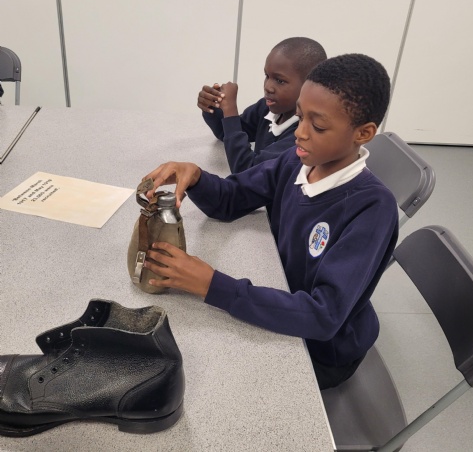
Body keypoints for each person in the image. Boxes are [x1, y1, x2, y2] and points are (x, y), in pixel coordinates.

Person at [143, 54, 399, 389]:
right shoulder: (295, 161)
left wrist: (211, 285)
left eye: (318, 126)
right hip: (280, 298)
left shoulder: (373, 209)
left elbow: (323, 316)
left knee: (206, 373)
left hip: (322, 351)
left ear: (363, 133)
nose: (300, 134)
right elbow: (232, 198)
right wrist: (196, 177)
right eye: (300, 117)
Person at [197, 37, 327, 173]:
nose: (268, 87)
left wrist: (230, 111)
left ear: (310, 86)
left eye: (280, 81)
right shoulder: (266, 108)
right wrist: (213, 106)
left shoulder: (301, 136)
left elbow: (248, 172)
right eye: (267, 76)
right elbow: (227, 133)